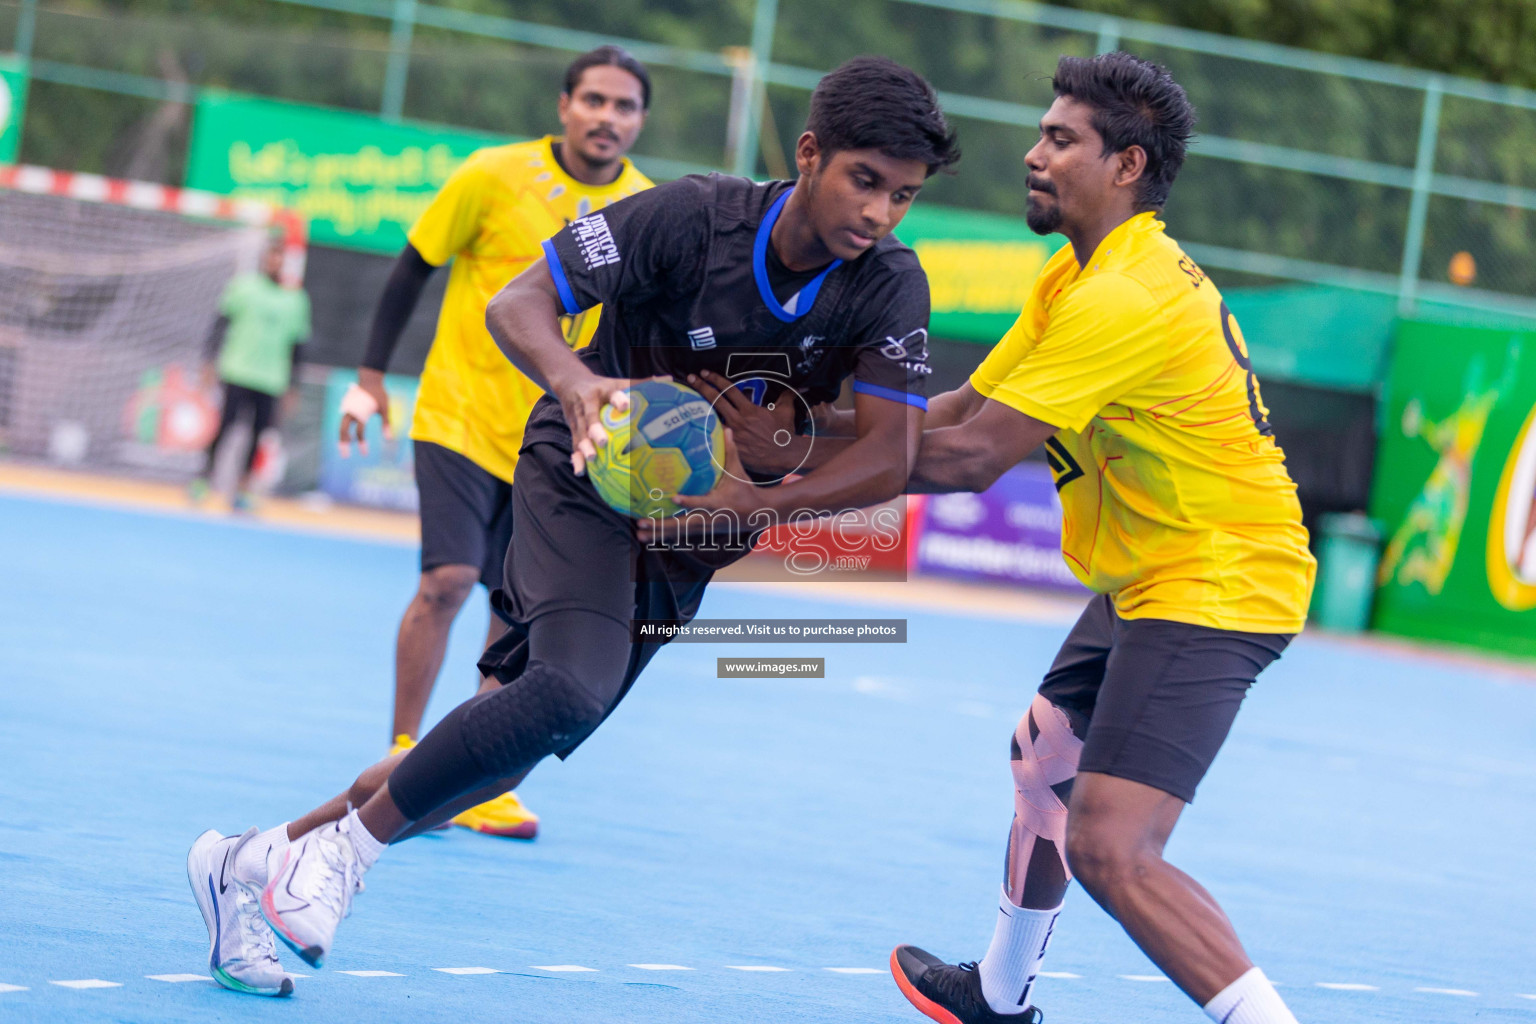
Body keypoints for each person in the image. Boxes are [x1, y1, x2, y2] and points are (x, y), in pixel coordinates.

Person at [187, 55, 959, 998]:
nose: (879, 212)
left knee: (499, 737)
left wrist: (756, 504)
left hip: (697, 533)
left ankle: (254, 862)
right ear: (809, 155)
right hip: (584, 467)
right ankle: (344, 858)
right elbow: (518, 300)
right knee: (568, 689)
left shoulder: (887, 285)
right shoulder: (690, 216)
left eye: (904, 196)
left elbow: (889, 456)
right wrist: (579, 382)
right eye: (864, 181)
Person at [880, 53, 1316, 1024]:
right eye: (1041, 132)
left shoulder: (1128, 295)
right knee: (1042, 763)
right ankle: (998, 994)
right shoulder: (1076, 274)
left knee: (1111, 848)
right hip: (1149, 571)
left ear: (1125, 165)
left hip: (1216, 578)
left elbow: (971, 458)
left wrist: (781, 476)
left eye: (1060, 139)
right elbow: (963, 407)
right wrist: (827, 423)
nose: (1033, 152)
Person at [338, 45, 654, 839]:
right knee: (447, 580)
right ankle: (406, 748)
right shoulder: (490, 173)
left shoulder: (649, 209)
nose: (607, 118)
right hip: (459, 414)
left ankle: (471, 772)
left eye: (624, 106)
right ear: (564, 104)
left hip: (558, 443)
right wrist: (371, 375)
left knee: (516, 616)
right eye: (594, 100)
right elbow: (414, 268)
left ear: (639, 121)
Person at [188, 238, 309, 511]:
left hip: (271, 378)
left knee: (258, 436)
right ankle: (204, 480)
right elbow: (220, 324)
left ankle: (243, 488)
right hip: (238, 370)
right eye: (271, 256)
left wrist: (293, 385)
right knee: (225, 427)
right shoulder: (243, 288)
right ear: (264, 258)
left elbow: (297, 346)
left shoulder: (296, 299)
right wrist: (208, 362)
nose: (274, 262)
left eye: (280, 258)